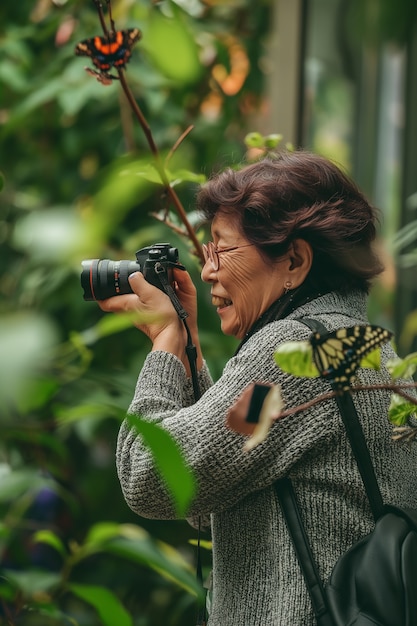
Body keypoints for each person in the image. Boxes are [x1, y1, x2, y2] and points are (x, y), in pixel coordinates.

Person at [98, 150, 417, 625]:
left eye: (222, 248)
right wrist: (190, 353)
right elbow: (214, 493)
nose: (207, 271)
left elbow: (153, 476)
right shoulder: (366, 352)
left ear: (294, 260)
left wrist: (166, 342)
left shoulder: (296, 356)